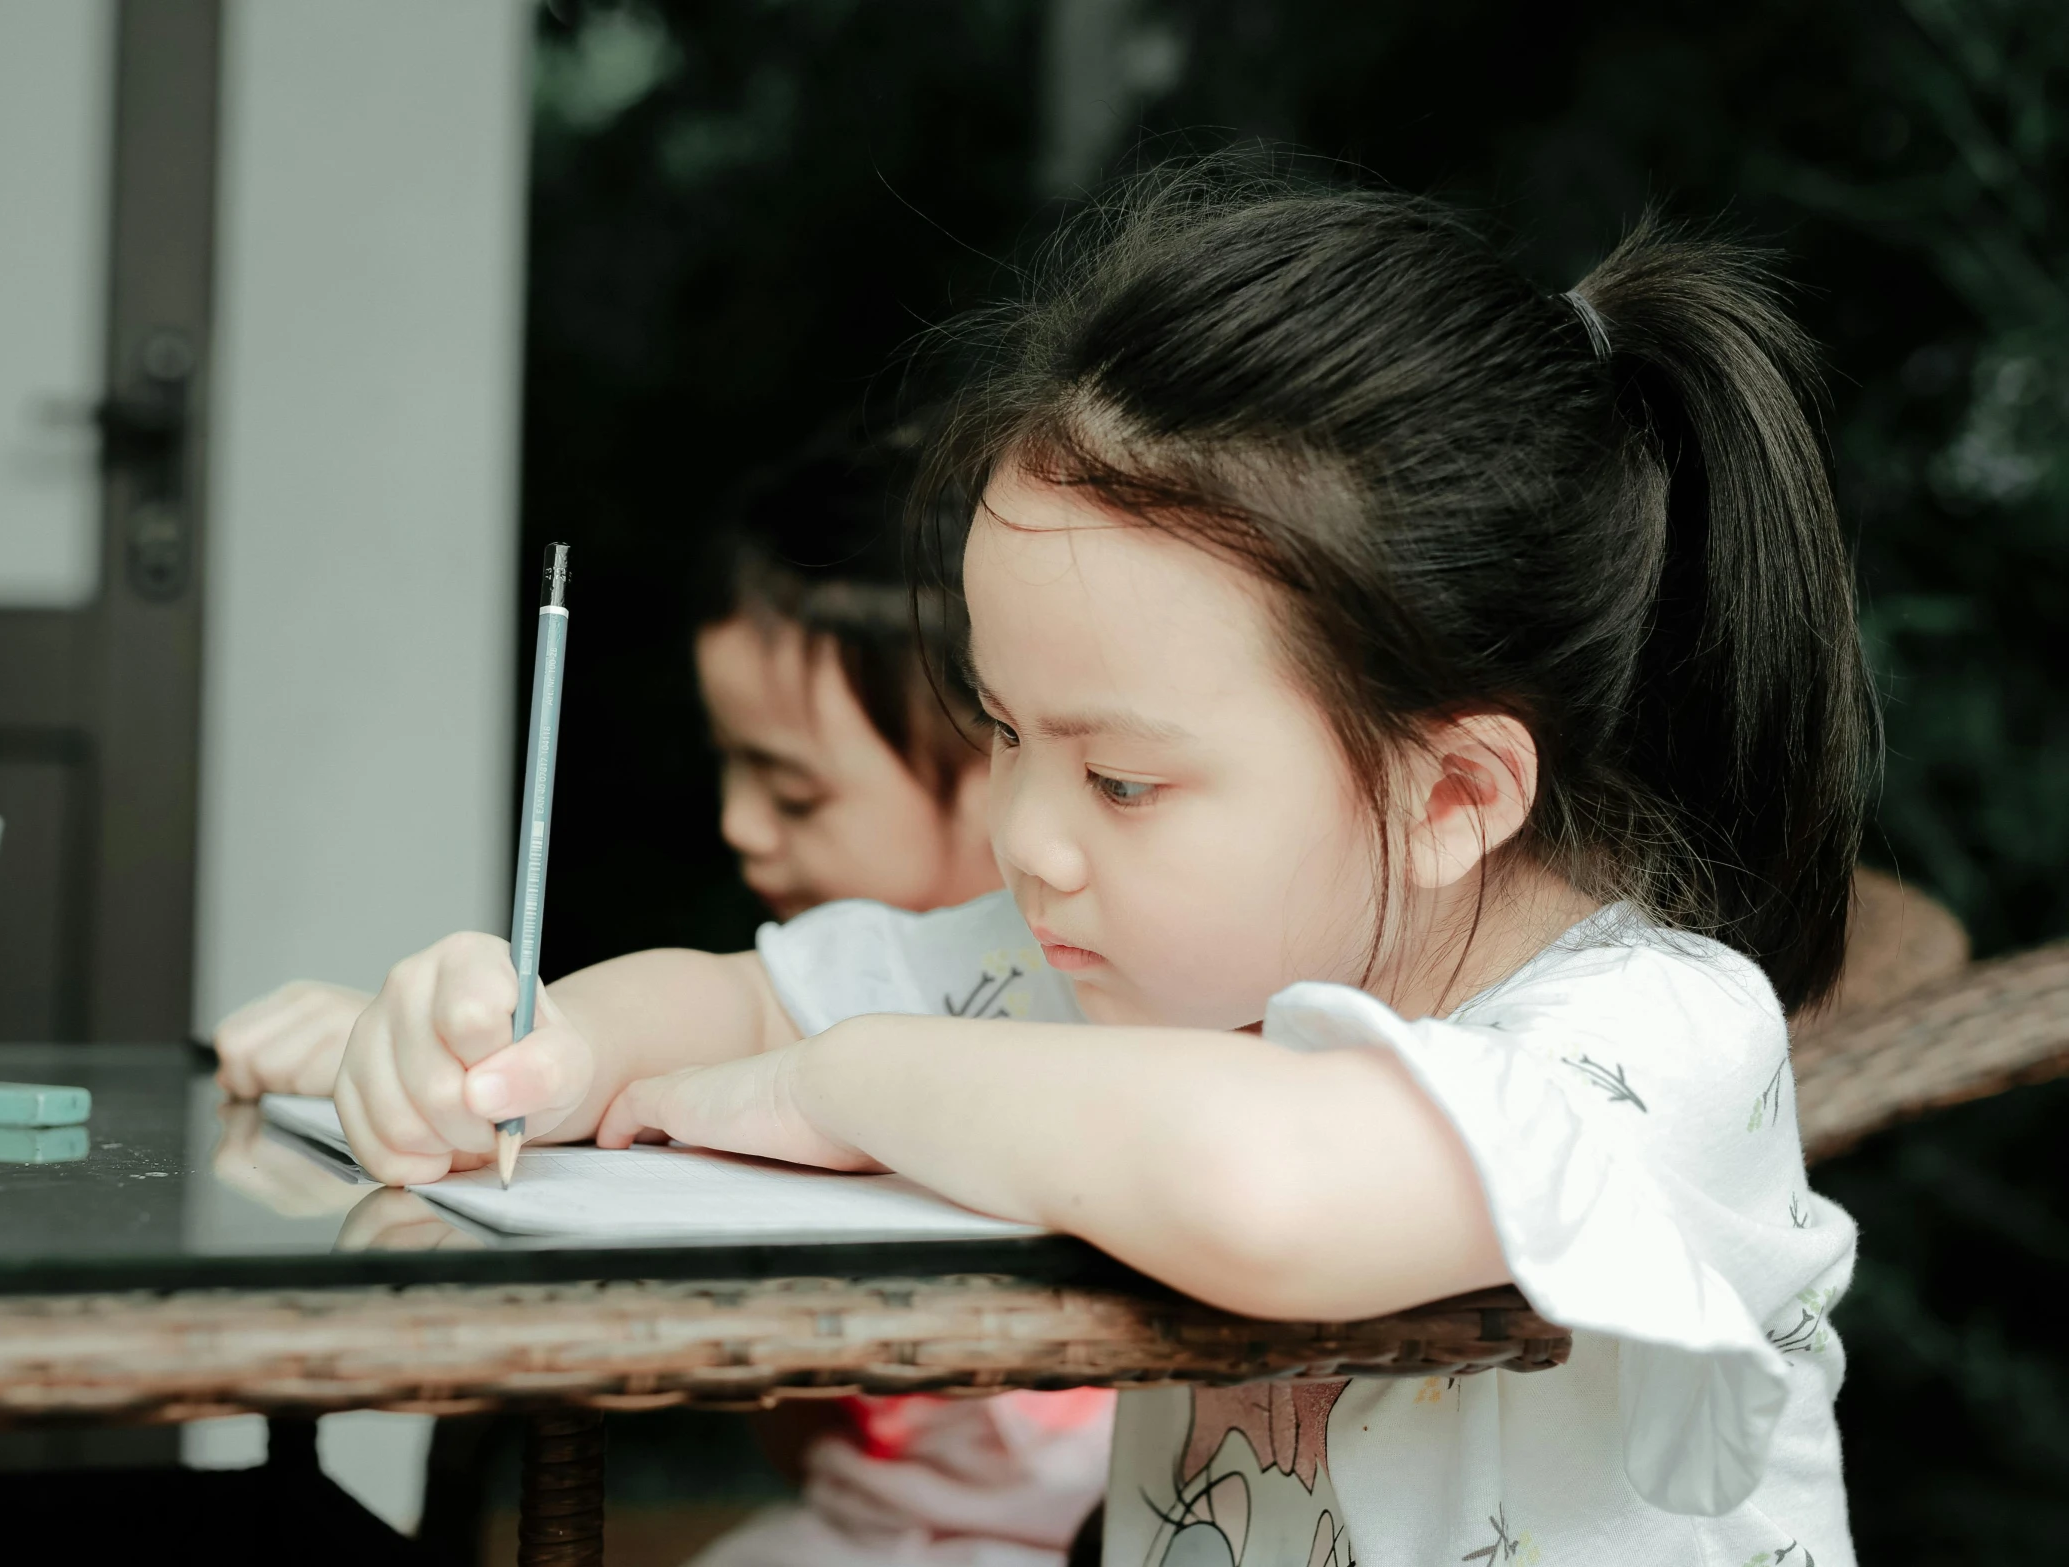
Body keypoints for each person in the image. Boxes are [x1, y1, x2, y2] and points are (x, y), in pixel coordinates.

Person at [325, 171, 1874, 1567]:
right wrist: (535, 1040)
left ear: (1449, 790)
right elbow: (735, 1004)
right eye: (1002, 731)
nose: (1025, 837)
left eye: (1120, 777)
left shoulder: (1653, 1040)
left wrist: (842, 1079)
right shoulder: (1129, 959)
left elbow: (1262, 1186)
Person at [213, 422, 1115, 1565]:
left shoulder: (1126, 995)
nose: (738, 826)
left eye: (793, 792)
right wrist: (516, 1049)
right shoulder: (903, 977)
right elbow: (706, 1014)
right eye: (730, 769)